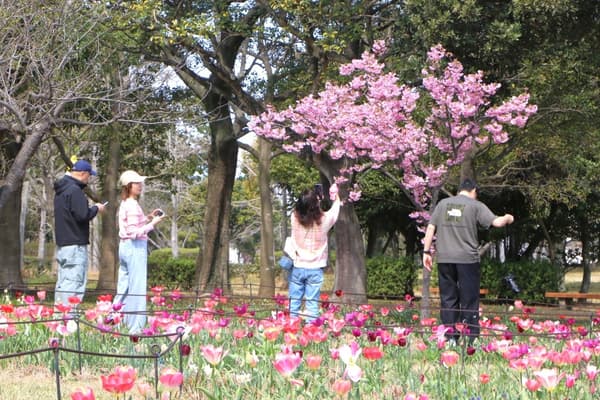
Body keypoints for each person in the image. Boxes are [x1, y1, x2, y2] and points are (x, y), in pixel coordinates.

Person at [422, 178, 514, 343]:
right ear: (474, 191)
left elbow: (430, 227)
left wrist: (426, 252)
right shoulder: (475, 205)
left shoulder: (443, 204)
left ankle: (450, 338)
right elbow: (497, 222)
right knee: (469, 299)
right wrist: (508, 217)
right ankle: (471, 339)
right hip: (467, 260)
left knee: (448, 299)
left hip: (445, 259)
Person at [114, 170, 165, 333]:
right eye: (137, 183)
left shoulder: (125, 203)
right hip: (135, 248)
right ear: (128, 186)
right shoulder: (132, 205)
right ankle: (135, 328)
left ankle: (114, 320)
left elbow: (132, 225)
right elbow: (135, 233)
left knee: (123, 287)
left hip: (124, 247)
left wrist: (148, 217)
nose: (140, 186)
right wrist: (154, 223)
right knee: (137, 288)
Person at [54, 159, 106, 309]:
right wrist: (96, 208)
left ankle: (60, 317)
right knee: (74, 285)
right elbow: (82, 215)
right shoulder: (75, 191)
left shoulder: (61, 190)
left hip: (63, 245)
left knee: (64, 283)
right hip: (75, 245)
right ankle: (69, 321)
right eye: (89, 176)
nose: (88, 179)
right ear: (83, 174)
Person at [286, 183, 341, 323]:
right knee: (312, 303)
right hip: (315, 268)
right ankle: (311, 332)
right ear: (316, 206)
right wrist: (335, 197)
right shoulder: (324, 221)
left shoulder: (294, 219)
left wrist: (312, 200)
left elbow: (300, 208)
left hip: (297, 267)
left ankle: (292, 327)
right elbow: (334, 212)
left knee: (294, 302)